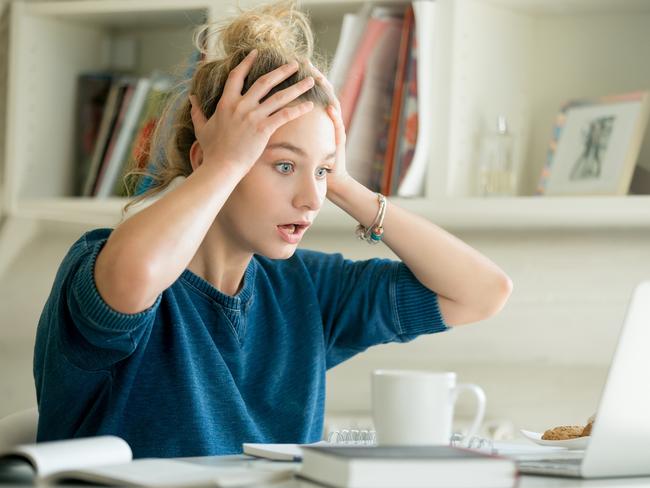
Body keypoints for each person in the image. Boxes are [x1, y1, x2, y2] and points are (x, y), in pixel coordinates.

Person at [33, 1, 512, 458]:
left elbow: (482, 292)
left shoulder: (307, 289)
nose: (311, 199)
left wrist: (344, 185)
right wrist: (224, 165)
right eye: (283, 166)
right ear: (208, 159)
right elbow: (135, 277)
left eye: (320, 174)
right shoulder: (101, 262)